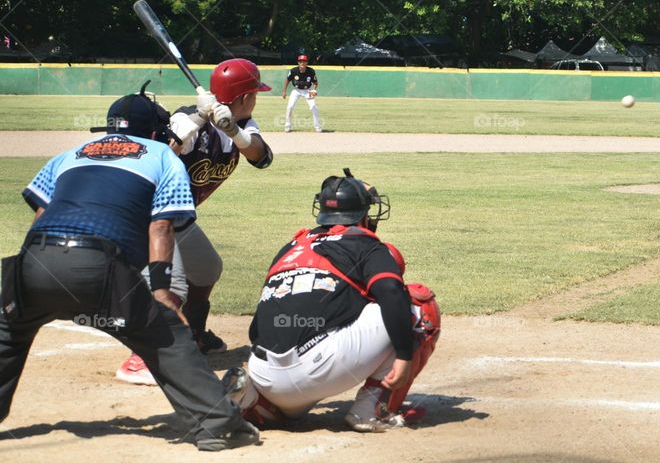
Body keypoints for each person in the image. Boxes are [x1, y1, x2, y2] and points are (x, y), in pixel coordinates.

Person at [0, 84, 259, 451]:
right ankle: (217, 424)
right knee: (164, 334)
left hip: (36, 261)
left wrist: (26, 279)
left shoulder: (70, 153)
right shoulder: (162, 155)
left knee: (8, 333)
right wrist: (161, 291)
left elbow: (41, 213)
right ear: (157, 132)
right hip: (98, 265)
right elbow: (161, 226)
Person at [221, 169, 440, 432]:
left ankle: (257, 400)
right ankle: (373, 409)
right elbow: (392, 294)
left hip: (264, 369)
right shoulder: (364, 244)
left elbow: (256, 328)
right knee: (418, 305)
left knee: (297, 353)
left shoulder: (292, 247)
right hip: (317, 370)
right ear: (361, 214)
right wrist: (404, 356)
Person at [116, 58, 273, 384]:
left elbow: (262, 157)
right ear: (244, 96)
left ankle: (195, 333)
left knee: (206, 270)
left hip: (177, 216)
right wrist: (198, 119)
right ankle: (142, 357)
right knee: (171, 285)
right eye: (255, 93)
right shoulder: (186, 117)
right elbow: (157, 155)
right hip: (148, 216)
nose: (257, 98)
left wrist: (233, 130)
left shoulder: (240, 123)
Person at [281, 54, 322, 133]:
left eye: (304, 61)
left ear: (307, 63)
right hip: (296, 90)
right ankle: (287, 126)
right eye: (300, 61)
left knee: (314, 107)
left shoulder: (311, 71)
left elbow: (316, 83)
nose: (302, 63)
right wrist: (284, 91)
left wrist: (313, 90)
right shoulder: (293, 71)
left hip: (308, 91)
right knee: (290, 106)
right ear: (298, 62)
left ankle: (317, 127)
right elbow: (287, 80)